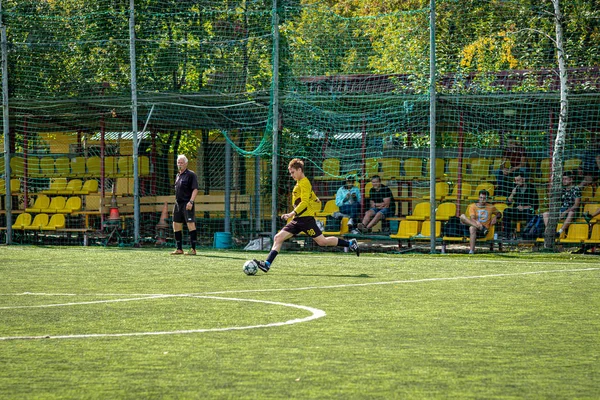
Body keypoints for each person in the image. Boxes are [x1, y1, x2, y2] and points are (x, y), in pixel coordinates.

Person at [253, 158, 359, 273]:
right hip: (297, 220)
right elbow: (309, 193)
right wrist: (315, 198)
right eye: (290, 173)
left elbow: (304, 202)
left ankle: (350, 243)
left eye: (293, 172)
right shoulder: (300, 182)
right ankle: (267, 264)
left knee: (322, 242)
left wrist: (292, 213)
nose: (291, 175)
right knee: (278, 238)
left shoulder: (304, 182)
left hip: (306, 220)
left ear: (299, 170)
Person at [171, 154, 199, 255]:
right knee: (176, 224)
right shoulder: (178, 175)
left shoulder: (191, 175)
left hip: (187, 203)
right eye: (178, 162)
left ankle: (193, 249)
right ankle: (179, 249)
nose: (180, 164)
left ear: (186, 163)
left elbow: (195, 189)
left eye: (182, 163)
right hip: (178, 204)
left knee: (190, 224)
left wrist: (191, 201)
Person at [460, 189, 502, 254]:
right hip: (477, 228)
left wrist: (496, 217)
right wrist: (478, 223)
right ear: (478, 198)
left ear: (487, 199)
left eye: (484, 198)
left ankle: (471, 251)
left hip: (484, 232)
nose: (482, 199)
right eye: (481, 197)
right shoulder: (472, 206)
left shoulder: (491, 207)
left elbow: (499, 213)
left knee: (471, 227)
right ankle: (472, 251)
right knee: (462, 216)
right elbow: (472, 218)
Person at [542, 170, 581, 238]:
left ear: (571, 179)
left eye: (565, 179)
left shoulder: (576, 189)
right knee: (545, 214)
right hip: (561, 210)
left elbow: (576, 205)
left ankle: (559, 232)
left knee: (571, 213)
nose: (563, 181)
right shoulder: (562, 189)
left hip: (572, 211)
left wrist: (566, 211)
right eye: (563, 179)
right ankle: (549, 232)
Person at [501, 172, 539, 239]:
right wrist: (512, 194)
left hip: (526, 212)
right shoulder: (514, 187)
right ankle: (506, 235)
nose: (516, 182)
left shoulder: (531, 188)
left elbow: (536, 205)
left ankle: (526, 235)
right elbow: (508, 203)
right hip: (516, 211)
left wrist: (524, 207)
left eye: (518, 180)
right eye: (515, 180)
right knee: (506, 211)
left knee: (529, 213)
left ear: (523, 179)